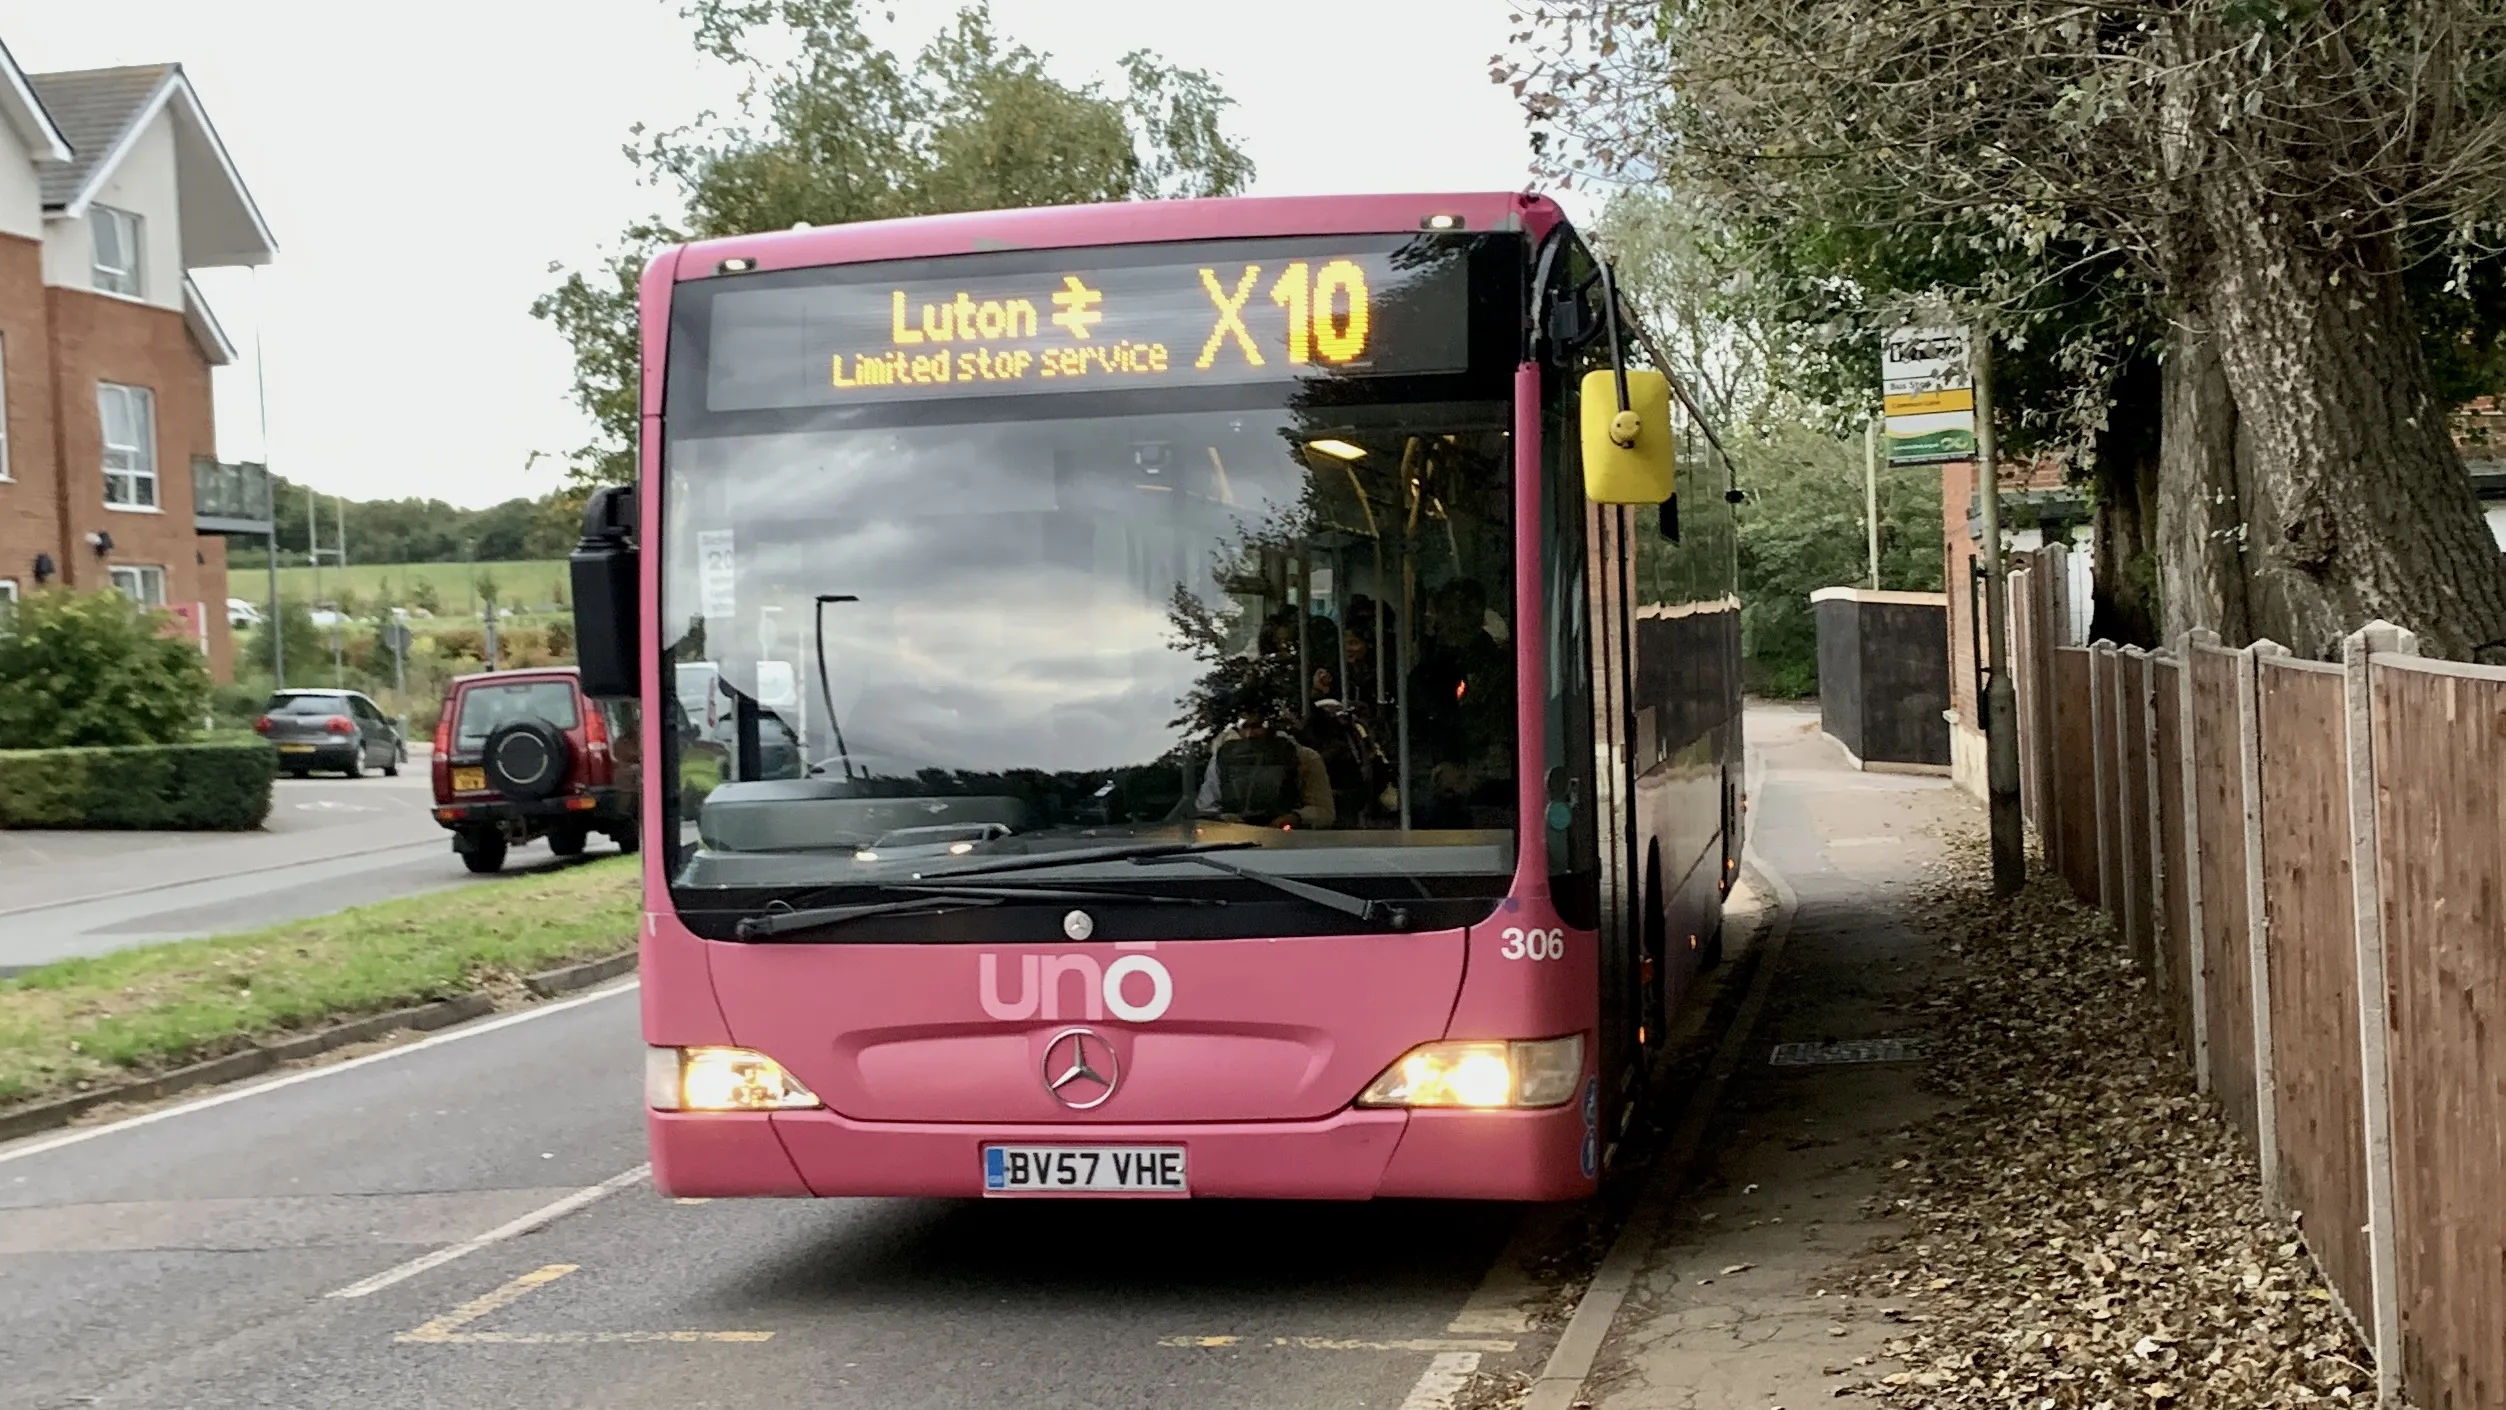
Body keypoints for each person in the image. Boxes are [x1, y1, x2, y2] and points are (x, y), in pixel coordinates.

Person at [1194, 708, 1336, 829]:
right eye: (1245, 726)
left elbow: (1324, 812)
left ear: (1273, 726)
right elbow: (1206, 809)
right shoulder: (1221, 759)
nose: (1250, 735)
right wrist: (1224, 819)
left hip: (1292, 845)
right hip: (1233, 843)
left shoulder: (1305, 758)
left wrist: (1296, 818)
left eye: (1257, 726)